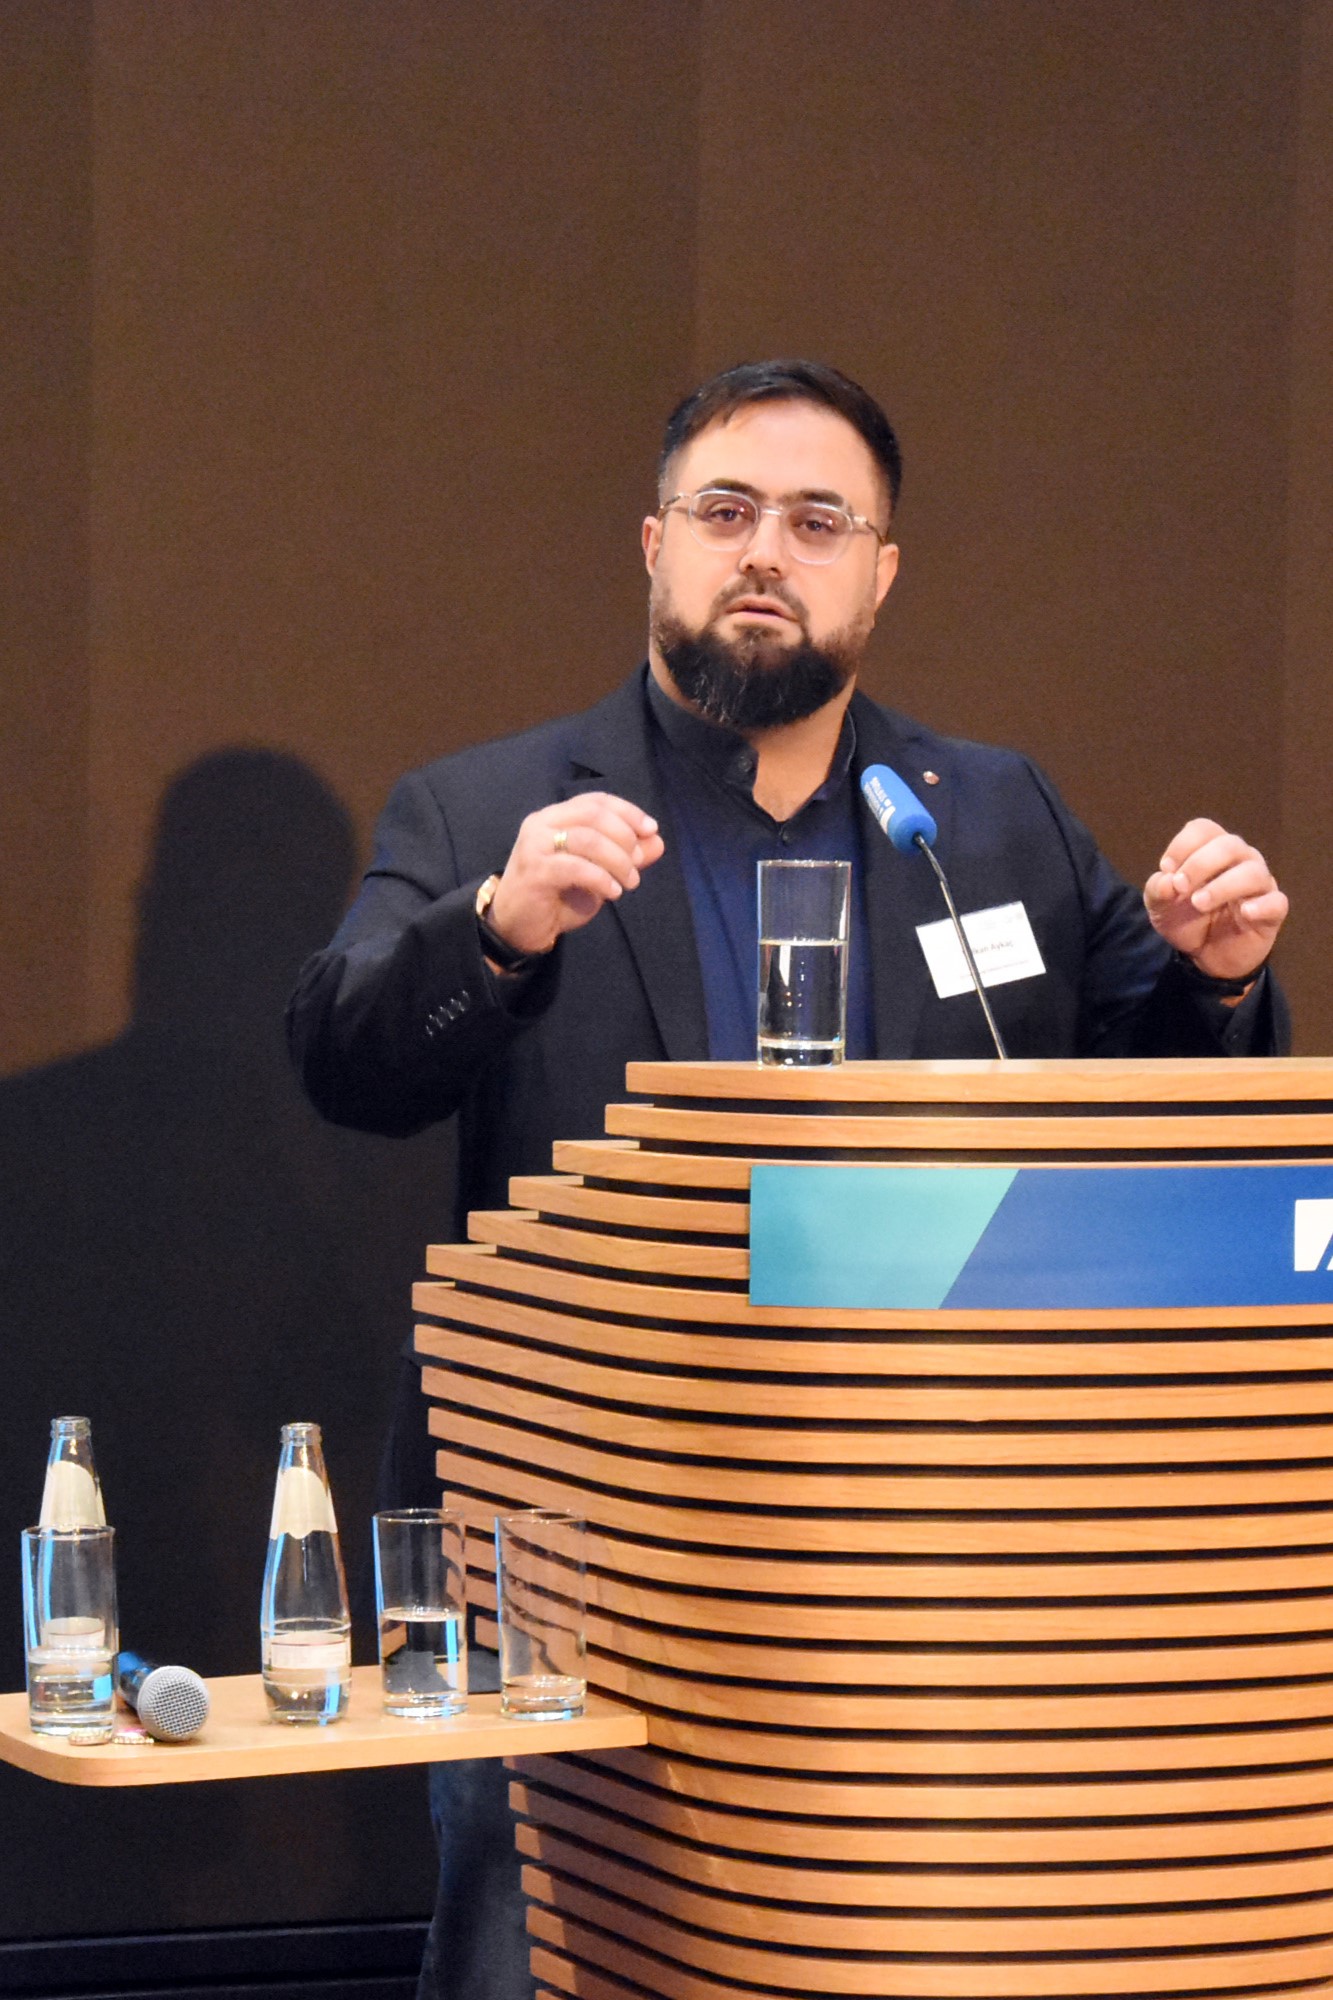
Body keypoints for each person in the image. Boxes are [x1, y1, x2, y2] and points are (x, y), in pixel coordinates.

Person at [287, 359, 1289, 2000]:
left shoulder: (989, 819)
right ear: (652, 545)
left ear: (879, 572)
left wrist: (1220, 980)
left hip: (943, 1543)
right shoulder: (493, 809)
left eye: (819, 522)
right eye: (727, 512)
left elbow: (1163, 1103)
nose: (768, 552)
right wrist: (495, 929)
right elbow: (341, 1055)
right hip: (576, 1549)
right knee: (531, 1952)